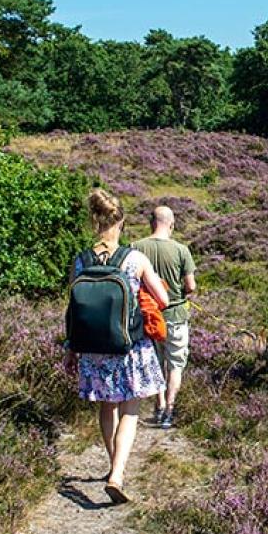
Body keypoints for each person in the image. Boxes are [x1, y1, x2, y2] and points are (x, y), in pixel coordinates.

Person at [65, 189, 169, 504]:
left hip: (92, 349)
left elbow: (73, 309)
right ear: (120, 222)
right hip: (130, 347)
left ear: (94, 222)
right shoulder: (134, 259)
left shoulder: (80, 260)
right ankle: (118, 473)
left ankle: (112, 462)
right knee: (131, 409)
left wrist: (71, 349)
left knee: (106, 406)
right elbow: (163, 300)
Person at [131, 206, 197, 430]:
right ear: (172, 224)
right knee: (176, 364)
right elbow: (191, 286)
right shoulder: (181, 250)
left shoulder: (136, 248)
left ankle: (158, 405)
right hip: (176, 315)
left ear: (151, 223)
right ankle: (169, 411)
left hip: (147, 316)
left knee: (156, 362)